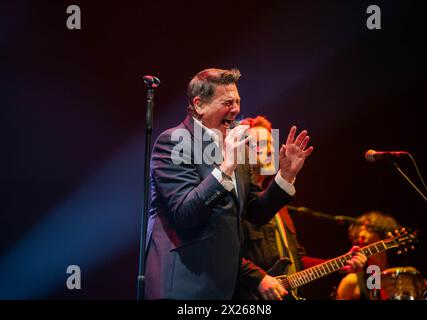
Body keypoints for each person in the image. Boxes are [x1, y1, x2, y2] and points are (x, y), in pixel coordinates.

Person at [144, 68, 314, 299]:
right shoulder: (174, 141)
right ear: (200, 105)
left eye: (238, 101)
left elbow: (255, 214)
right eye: (228, 102)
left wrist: (285, 176)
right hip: (184, 287)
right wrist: (226, 167)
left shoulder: (236, 146)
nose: (236, 109)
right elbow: (185, 215)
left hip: (226, 289)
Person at [238, 116, 368, 300]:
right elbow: (225, 254)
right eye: (258, 143)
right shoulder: (236, 200)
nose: (269, 149)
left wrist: (339, 263)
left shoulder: (279, 206)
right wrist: (259, 279)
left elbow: (297, 261)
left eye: (271, 143)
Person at [336, 211, 400, 300]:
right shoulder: (352, 281)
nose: (361, 235)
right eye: (360, 231)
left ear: (384, 234)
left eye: (369, 230)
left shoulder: (399, 279)